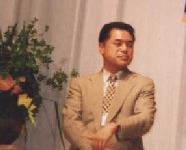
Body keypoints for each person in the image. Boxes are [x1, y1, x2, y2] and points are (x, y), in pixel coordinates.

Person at [62, 22, 156, 150]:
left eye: (129, 45)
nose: (125, 49)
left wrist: (114, 126)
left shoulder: (142, 83)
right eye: (118, 44)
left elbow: (145, 119)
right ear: (101, 47)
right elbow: (70, 122)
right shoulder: (81, 84)